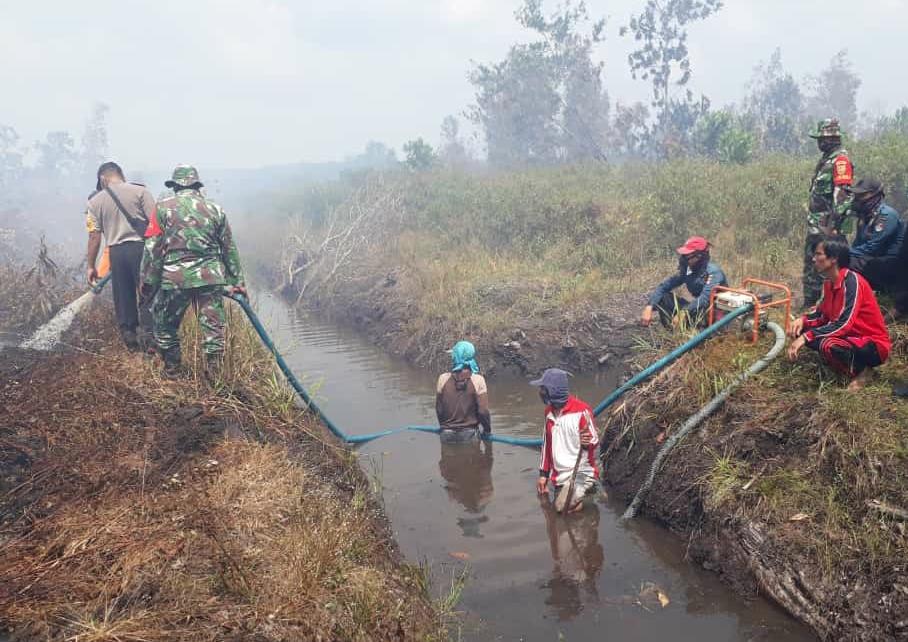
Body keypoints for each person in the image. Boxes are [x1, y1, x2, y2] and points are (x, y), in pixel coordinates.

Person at [140, 165, 246, 378]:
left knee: (165, 325)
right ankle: (215, 376)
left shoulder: (162, 209)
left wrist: (148, 280)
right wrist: (237, 281)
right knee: (213, 328)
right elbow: (228, 247)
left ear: (175, 186)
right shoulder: (215, 209)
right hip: (210, 277)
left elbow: (152, 249)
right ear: (197, 185)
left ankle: (173, 370)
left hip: (175, 278)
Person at [787, 239, 890, 390]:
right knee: (799, 330)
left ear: (834, 258)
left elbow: (843, 323)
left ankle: (863, 371)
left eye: (818, 254)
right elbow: (823, 315)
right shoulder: (829, 283)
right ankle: (841, 361)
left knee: (827, 344)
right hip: (848, 337)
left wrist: (806, 337)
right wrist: (802, 320)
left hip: (871, 344)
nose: (814, 259)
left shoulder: (852, 282)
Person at [85, 161, 157, 350]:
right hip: (141, 249)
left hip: (116, 253)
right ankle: (150, 341)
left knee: (124, 298)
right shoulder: (141, 192)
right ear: (121, 174)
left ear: (102, 179)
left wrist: (91, 266)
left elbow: (94, 237)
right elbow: (155, 225)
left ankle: (131, 340)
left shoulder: (94, 202)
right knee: (147, 293)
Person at [532, 368, 599, 513]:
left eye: (543, 389)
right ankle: (582, 502)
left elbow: (594, 439)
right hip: (560, 479)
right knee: (558, 513)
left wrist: (586, 442)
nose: (540, 392)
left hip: (581, 474)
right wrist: (543, 475)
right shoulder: (548, 413)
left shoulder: (582, 410)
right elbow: (546, 445)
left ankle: (587, 497)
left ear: (553, 391)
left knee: (561, 510)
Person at [803, 118, 854, 308]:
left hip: (827, 228)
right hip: (817, 226)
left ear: (831, 138)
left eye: (821, 139)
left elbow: (843, 198)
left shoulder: (840, 161)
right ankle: (811, 303)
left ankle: (827, 305)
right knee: (812, 264)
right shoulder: (827, 159)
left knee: (826, 266)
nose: (819, 143)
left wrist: (834, 228)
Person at [640, 236, 727, 328]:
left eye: (687, 256)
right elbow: (663, 287)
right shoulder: (688, 271)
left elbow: (704, 299)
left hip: (713, 314)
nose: (684, 259)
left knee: (710, 321)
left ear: (699, 256)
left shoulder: (713, 272)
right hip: (696, 310)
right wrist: (649, 307)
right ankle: (673, 329)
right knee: (663, 297)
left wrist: (684, 312)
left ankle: (699, 331)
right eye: (684, 256)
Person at [846, 178, 906, 291]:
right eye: (856, 195)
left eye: (862, 195)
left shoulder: (886, 215)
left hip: (890, 265)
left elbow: (872, 247)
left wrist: (844, 253)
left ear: (875, 195)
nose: (857, 199)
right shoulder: (866, 216)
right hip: (873, 260)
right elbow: (858, 244)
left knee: (844, 261)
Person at [435, 340, 491, 442]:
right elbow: (483, 411)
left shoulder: (442, 378)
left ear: (455, 356)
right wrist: (487, 431)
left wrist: (444, 427)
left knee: (447, 453)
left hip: (446, 434)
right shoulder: (478, 380)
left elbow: (439, 409)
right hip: (470, 435)